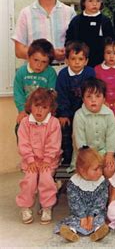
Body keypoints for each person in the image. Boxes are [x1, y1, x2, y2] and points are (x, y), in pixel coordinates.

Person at [16, 88, 61, 225]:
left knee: (46, 178)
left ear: (50, 109)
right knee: (29, 179)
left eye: (44, 107)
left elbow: (54, 143)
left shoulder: (54, 123)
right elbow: (23, 143)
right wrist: (30, 160)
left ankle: (47, 207)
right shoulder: (24, 123)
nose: (39, 111)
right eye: (36, 106)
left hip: (49, 160)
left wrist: (47, 159)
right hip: (30, 161)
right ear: (30, 106)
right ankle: (25, 206)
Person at [12, 0, 76, 62]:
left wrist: (68, 51)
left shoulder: (69, 12)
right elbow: (19, 51)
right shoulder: (26, 13)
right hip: (35, 73)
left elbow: (78, 45)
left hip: (63, 71)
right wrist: (50, 54)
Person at [55, 147, 109, 242]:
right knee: (74, 220)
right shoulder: (73, 183)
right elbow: (74, 202)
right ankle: (70, 232)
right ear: (82, 170)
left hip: (96, 212)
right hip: (78, 213)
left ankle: (99, 231)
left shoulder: (102, 182)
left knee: (100, 219)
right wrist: (83, 217)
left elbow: (101, 201)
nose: (99, 172)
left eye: (100, 168)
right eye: (95, 169)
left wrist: (91, 216)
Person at [56, 41, 95, 165]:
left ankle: (88, 157)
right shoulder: (62, 75)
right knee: (65, 130)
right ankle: (67, 159)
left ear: (86, 61)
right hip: (68, 112)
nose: (77, 62)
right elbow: (61, 96)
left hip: (85, 110)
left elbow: (91, 93)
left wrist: (87, 111)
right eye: (73, 59)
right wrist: (64, 114)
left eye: (80, 59)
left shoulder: (90, 73)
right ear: (67, 60)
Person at [71, 78, 115, 177]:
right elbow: (80, 141)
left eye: (98, 96)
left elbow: (111, 136)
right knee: (89, 172)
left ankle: (107, 191)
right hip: (84, 155)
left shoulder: (109, 114)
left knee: (110, 171)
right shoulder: (79, 115)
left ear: (104, 99)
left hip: (104, 153)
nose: (93, 100)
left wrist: (109, 154)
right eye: (88, 96)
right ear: (83, 99)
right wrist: (91, 159)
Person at [65, 0, 115, 67]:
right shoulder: (76, 21)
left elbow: (111, 42)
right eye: (90, 1)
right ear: (83, 2)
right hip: (80, 64)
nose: (94, 4)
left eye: (98, 1)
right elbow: (69, 41)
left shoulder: (105, 21)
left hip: (101, 64)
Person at [14, 39, 56, 125]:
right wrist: (22, 110)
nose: (39, 65)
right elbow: (18, 94)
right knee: (20, 128)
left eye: (44, 62)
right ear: (28, 57)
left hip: (44, 109)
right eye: (36, 60)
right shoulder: (21, 72)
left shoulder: (51, 73)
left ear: (48, 63)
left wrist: (46, 110)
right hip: (26, 110)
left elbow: (52, 94)